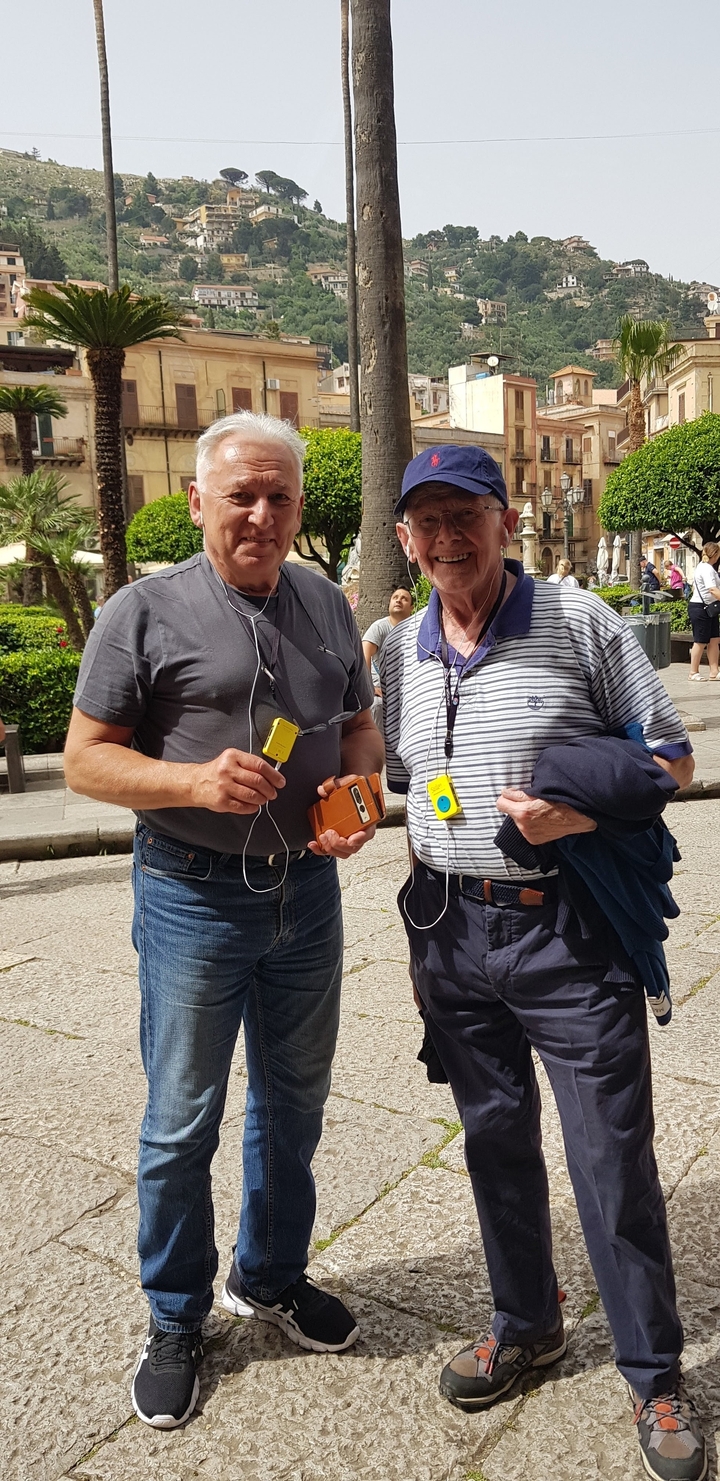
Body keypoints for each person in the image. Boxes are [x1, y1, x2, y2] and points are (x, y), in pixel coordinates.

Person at [380, 442, 706, 1481]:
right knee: (493, 1138)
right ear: (403, 537)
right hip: (450, 928)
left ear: (504, 520)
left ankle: (655, 1371)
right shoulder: (400, 650)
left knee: (610, 1155)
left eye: (464, 514)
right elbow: (403, 772)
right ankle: (527, 1321)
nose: (446, 537)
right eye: (425, 520)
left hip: (566, 929)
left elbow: (672, 754)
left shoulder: (580, 620)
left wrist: (577, 809)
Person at [64, 411, 382, 1430]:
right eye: (240, 493)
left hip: (307, 893)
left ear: (298, 507)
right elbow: (84, 757)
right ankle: (176, 1313)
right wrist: (191, 780)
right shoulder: (141, 610)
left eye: (278, 495)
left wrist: (360, 795)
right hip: (190, 891)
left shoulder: (328, 604)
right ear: (199, 501)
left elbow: (358, 721)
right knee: (180, 1119)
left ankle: (273, 1275)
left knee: (295, 1106)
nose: (260, 512)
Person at [362, 588, 414, 725]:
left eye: (404, 598)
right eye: (395, 597)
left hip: (405, 688)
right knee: (377, 705)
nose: (398, 600)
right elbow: (364, 653)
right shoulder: (380, 627)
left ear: (412, 607)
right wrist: (370, 687)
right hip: (381, 689)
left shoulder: (416, 629)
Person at [687, 542, 720, 681]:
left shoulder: (705, 567)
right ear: (716, 554)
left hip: (708, 608)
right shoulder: (706, 569)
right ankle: (693, 672)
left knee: (714, 640)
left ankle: (714, 671)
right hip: (700, 608)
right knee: (700, 641)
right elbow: (712, 589)